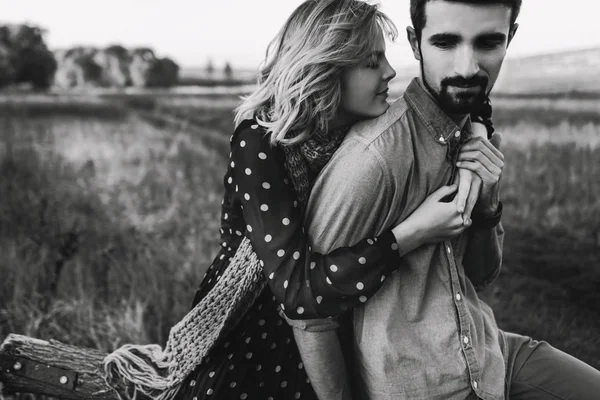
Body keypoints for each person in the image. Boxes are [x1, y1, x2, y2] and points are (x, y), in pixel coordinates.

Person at [170, 1, 498, 399]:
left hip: (342, 316)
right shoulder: (259, 142)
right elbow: (296, 291)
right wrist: (412, 233)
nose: (390, 72)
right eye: (371, 62)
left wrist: (477, 137)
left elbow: (474, 98)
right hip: (257, 327)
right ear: (326, 69)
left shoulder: (356, 122)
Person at [292, 0, 600, 399]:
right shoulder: (376, 157)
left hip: (491, 353)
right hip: (419, 384)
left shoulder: (474, 133)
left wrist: (487, 207)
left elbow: (478, 277)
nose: (468, 67)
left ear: (511, 38)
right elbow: (308, 312)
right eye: (446, 42)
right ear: (416, 43)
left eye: (489, 42)